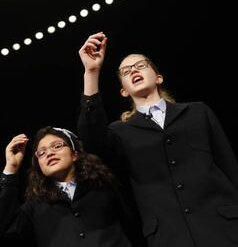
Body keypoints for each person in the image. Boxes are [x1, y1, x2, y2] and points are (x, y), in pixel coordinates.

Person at [76, 31, 238, 247]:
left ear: (158, 77)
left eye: (140, 65)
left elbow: (229, 165)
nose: (133, 70)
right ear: (124, 91)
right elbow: (91, 143)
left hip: (224, 227)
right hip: (168, 237)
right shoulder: (119, 132)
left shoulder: (198, 112)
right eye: (126, 71)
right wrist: (92, 72)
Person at [0, 126, 146, 247]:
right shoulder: (36, 205)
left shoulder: (104, 185)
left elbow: (134, 224)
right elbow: (3, 223)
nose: (49, 153)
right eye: (41, 153)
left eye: (57, 146)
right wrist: (11, 168)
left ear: (75, 154)